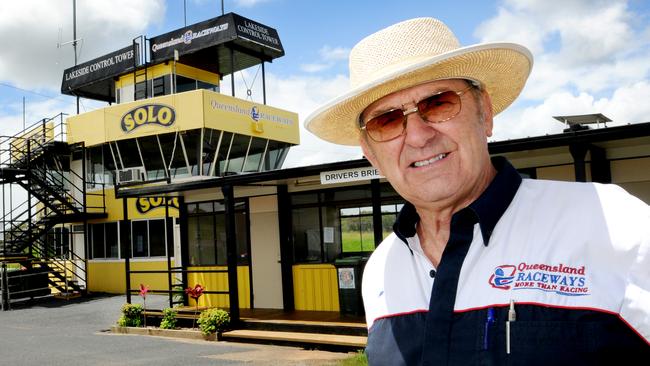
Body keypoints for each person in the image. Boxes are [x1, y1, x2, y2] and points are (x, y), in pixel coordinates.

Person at [304, 17, 649, 365]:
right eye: (387, 120)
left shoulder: (613, 223)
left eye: (438, 102)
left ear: (484, 111)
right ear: (370, 153)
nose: (419, 135)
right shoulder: (380, 268)